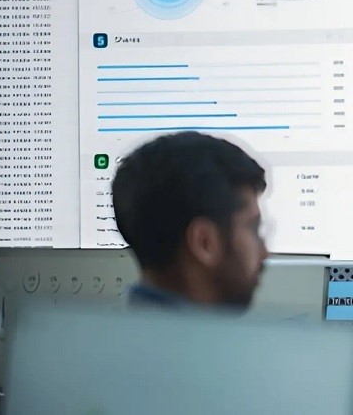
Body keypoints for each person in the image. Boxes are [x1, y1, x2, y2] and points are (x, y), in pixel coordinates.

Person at [111, 131, 270, 309]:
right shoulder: (202, 337)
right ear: (204, 243)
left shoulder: (110, 332)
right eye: (253, 228)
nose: (265, 253)